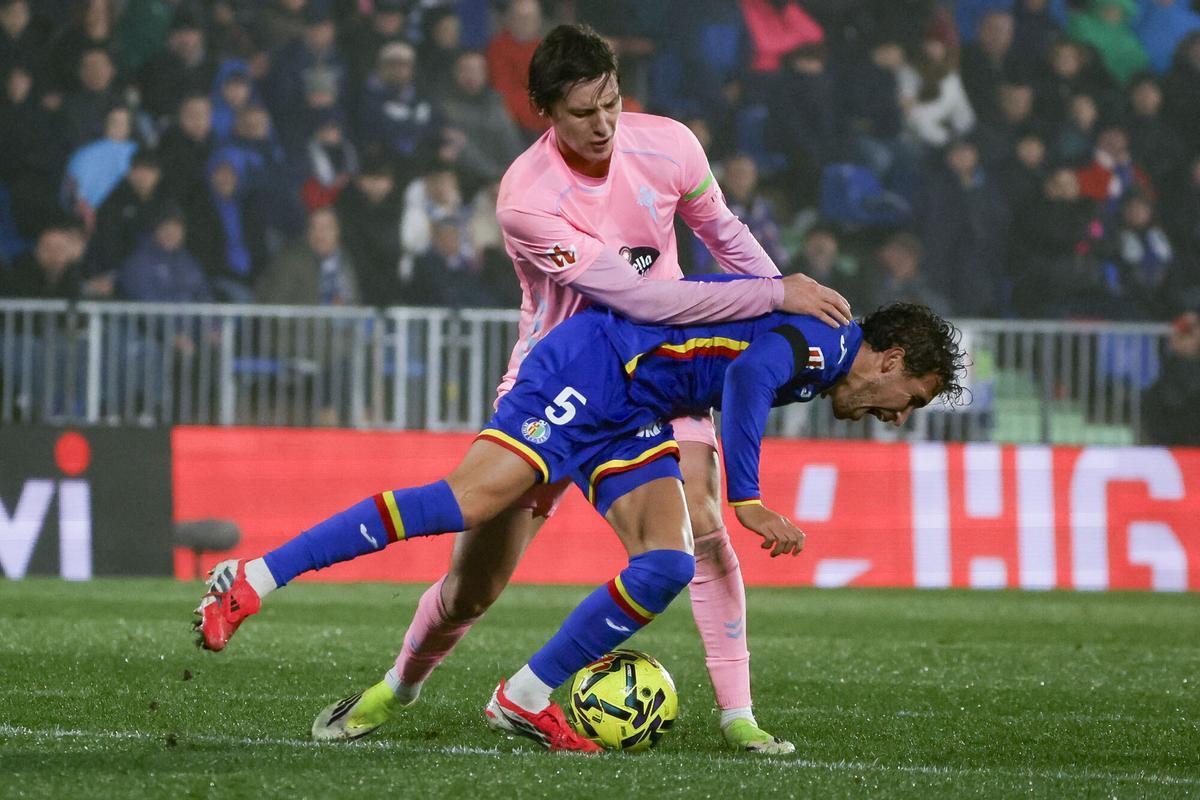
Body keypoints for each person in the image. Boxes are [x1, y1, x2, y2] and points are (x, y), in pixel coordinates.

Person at [210, 22, 852, 756]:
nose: (605, 123)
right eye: (583, 113)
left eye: (611, 102)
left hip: (658, 384)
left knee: (693, 539)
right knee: (471, 589)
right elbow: (642, 300)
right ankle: (395, 686)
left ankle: (733, 714)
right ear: (545, 112)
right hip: (563, 383)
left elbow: (727, 236)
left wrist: (780, 299)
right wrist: (773, 296)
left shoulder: (670, 144)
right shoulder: (526, 198)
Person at [194, 300, 966, 753]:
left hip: (633, 411)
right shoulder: (830, 342)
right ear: (890, 359)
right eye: (910, 399)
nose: (898, 417)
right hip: (591, 369)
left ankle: (523, 695)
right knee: (460, 509)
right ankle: (251, 579)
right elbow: (745, 374)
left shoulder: (828, 346)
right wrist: (747, 496)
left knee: (666, 563)